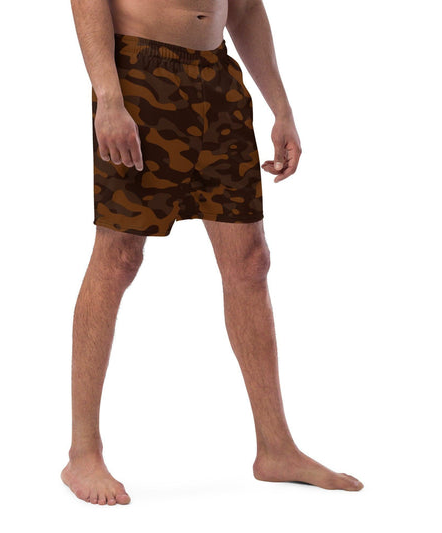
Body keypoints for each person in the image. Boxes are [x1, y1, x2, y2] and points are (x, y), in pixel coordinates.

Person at [61, 0, 363, 506]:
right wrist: (108, 97)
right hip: (140, 74)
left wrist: (282, 108)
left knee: (250, 261)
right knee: (118, 258)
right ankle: (83, 453)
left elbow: (244, 8)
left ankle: (276, 448)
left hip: (217, 79)